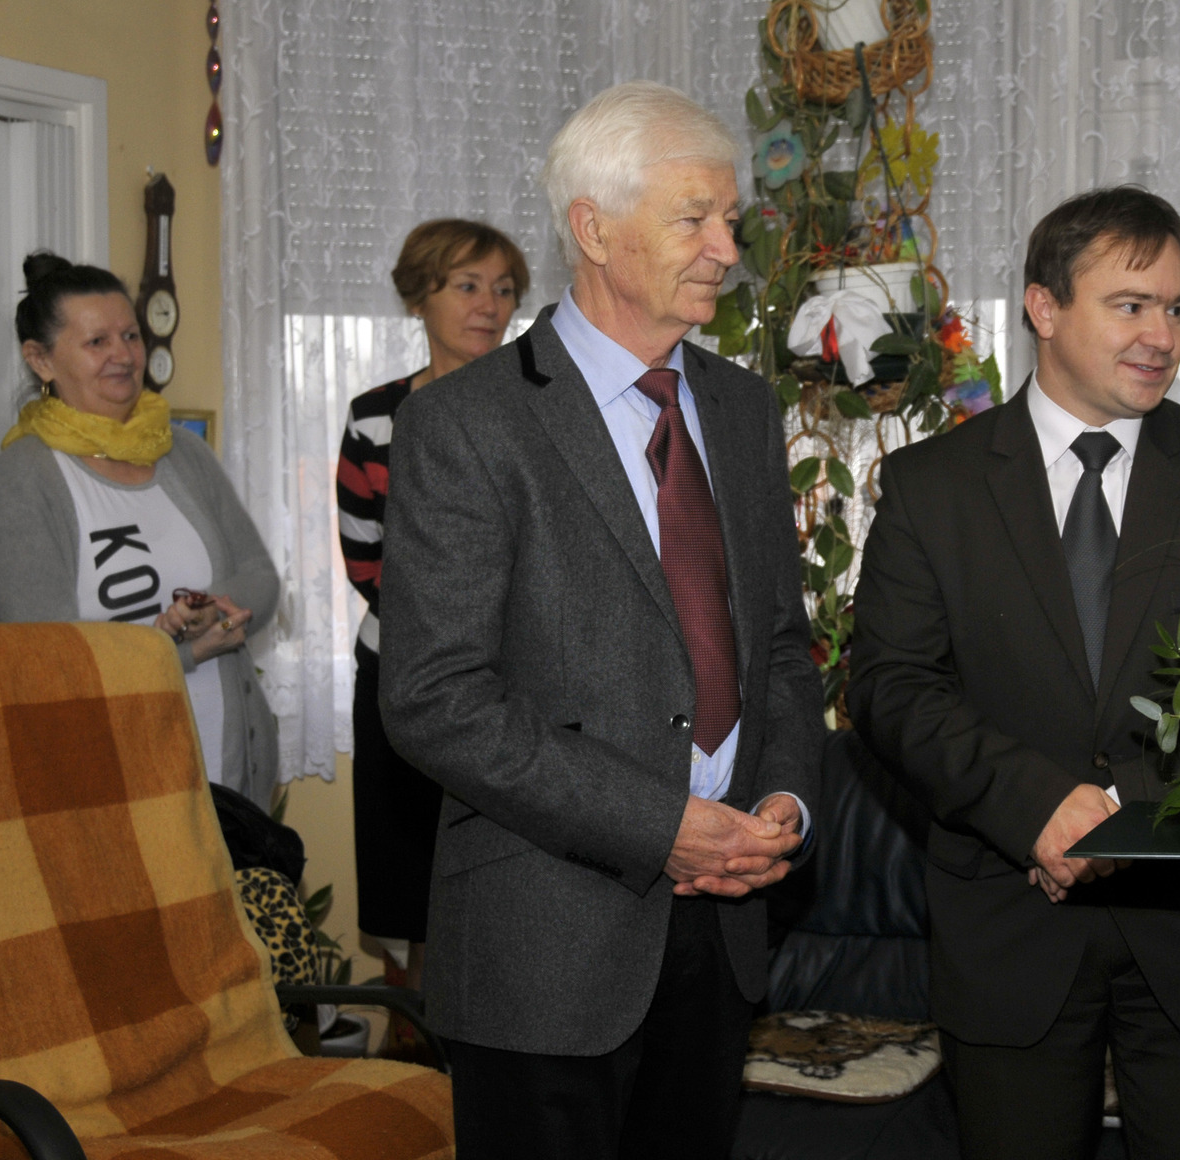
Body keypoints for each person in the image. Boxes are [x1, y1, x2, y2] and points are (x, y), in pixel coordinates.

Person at [377, 81, 823, 1160]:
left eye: (731, 219)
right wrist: (659, 823)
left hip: (724, 927)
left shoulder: (742, 409)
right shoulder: (464, 422)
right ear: (593, 228)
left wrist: (783, 803)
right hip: (545, 945)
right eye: (694, 219)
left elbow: (777, 648)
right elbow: (436, 698)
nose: (727, 249)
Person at [848, 186, 1180, 1160]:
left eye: (1176, 308)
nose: (1162, 336)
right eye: (1130, 304)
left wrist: (1114, 815)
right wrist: (1035, 806)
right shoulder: (933, 485)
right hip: (1009, 922)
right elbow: (892, 687)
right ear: (1044, 308)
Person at [0, 252, 279, 808]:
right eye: (97, 342)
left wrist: (212, 610)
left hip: (229, 776)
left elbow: (260, 576)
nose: (123, 355)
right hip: (113, 783)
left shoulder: (182, 451)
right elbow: (44, 659)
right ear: (41, 360)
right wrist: (180, 651)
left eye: (131, 336)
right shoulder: (21, 479)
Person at [336, 219, 529, 992]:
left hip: (519, 686)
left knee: (509, 887)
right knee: (408, 883)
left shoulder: (541, 413)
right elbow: (364, 557)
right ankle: (417, 1045)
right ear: (421, 297)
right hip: (403, 679)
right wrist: (449, 637)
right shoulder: (374, 415)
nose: (489, 305)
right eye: (467, 285)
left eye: (504, 289)